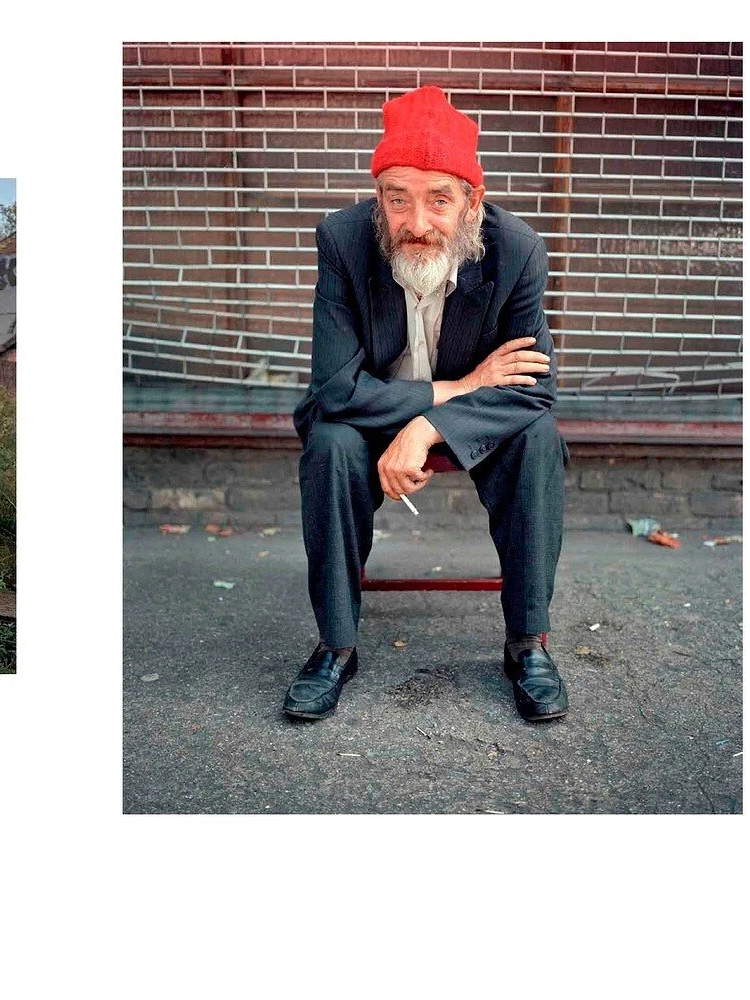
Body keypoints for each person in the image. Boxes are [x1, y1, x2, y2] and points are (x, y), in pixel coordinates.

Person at [285, 85, 569, 723]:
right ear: (378, 198)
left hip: (462, 420)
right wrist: (452, 389)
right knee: (329, 445)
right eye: (396, 199)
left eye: (439, 200)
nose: (416, 224)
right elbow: (333, 389)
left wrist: (429, 425)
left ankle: (528, 642)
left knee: (538, 437)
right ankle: (336, 644)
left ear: (473, 201)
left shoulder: (517, 249)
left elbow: (535, 387)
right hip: (365, 416)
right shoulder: (343, 239)